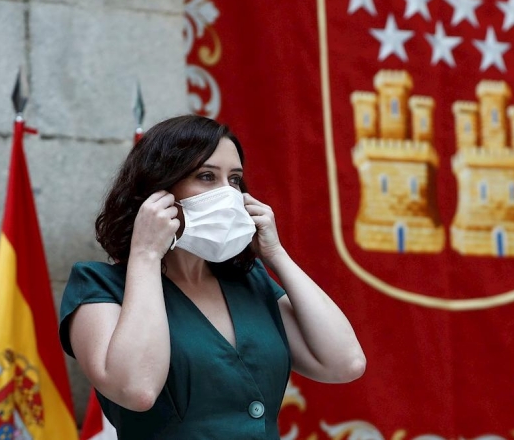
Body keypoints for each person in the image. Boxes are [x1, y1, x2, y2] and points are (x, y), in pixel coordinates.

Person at [59, 114, 366, 439]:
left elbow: (345, 363)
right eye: (206, 176)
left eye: (234, 180)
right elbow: (137, 388)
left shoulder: (250, 281)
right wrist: (146, 254)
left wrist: (276, 254)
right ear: (158, 191)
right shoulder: (99, 286)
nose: (228, 194)